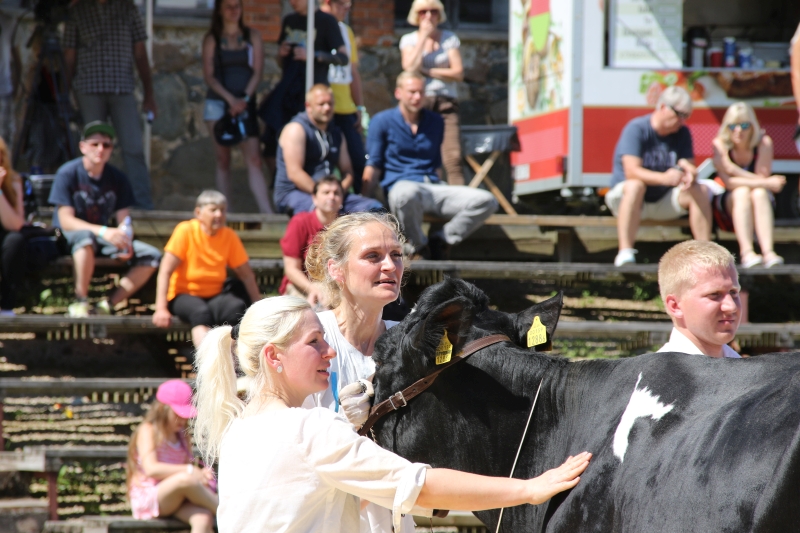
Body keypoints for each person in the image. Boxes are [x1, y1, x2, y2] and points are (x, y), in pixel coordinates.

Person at [192, 295, 592, 533]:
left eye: (325, 339)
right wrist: (529, 489)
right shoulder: (310, 428)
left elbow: (314, 501)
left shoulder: (237, 429)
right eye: (314, 342)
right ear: (273, 356)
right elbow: (420, 486)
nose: (329, 352)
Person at [302, 211, 414, 532]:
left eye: (396, 254)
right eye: (373, 256)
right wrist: (348, 423)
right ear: (335, 269)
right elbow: (298, 453)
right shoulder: (310, 339)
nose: (390, 266)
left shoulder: (409, 344)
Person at [363, 71, 497, 260]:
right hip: (402, 187)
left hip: (432, 187)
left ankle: (441, 240)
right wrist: (363, 201)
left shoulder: (435, 121)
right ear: (398, 93)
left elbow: (436, 165)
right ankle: (417, 247)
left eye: (421, 92)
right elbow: (373, 165)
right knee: (406, 194)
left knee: (487, 200)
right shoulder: (381, 121)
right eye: (412, 92)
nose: (417, 97)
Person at [49, 121, 161, 318]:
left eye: (106, 145)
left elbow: (124, 219)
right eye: (95, 144)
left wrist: (125, 241)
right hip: (69, 240)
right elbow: (66, 221)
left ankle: (107, 305)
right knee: (85, 238)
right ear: (83, 147)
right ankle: (81, 302)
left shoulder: (118, 178)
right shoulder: (67, 173)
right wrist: (103, 231)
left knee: (151, 256)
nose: (101, 149)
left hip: (104, 240)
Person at [604, 86, 712, 267]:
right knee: (635, 185)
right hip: (627, 200)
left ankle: (706, 256)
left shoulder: (682, 133)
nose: (682, 121)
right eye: (679, 114)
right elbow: (631, 172)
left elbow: (688, 165)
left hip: (662, 200)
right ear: (663, 107)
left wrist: (689, 173)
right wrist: (664, 178)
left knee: (699, 189)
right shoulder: (637, 128)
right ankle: (625, 253)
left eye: (686, 116)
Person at [63, 0, 156, 209]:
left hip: (122, 88)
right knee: (92, 148)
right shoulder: (78, 10)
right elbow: (69, 56)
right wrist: (64, 94)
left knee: (133, 147)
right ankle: (88, 202)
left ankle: (142, 205)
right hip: (88, 88)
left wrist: (149, 93)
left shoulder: (128, 8)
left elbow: (140, 52)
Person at [152, 190, 261, 348]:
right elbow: (165, 271)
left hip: (215, 294)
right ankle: (208, 360)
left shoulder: (229, 235)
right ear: (198, 213)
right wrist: (161, 308)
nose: (219, 214)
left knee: (235, 308)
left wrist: (258, 307)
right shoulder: (185, 231)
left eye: (222, 210)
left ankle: (231, 358)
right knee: (200, 312)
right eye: (213, 210)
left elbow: (247, 275)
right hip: (183, 295)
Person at [202, 0, 272, 214]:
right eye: (229, 7)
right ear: (220, 11)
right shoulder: (212, 38)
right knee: (223, 159)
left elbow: (257, 72)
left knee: (254, 158)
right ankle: (226, 213)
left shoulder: (252, 36)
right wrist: (230, 100)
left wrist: (243, 99)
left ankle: (267, 213)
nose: (234, 11)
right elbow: (209, 76)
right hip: (218, 103)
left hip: (245, 104)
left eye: (237, 6)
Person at [260, 0, 348, 168]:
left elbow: (343, 58)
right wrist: (281, 54)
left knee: (310, 146)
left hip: (311, 94)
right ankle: (282, 179)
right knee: (271, 146)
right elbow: (281, 63)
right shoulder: (289, 21)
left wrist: (314, 55)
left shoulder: (326, 21)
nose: (292, 2)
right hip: (287, 93)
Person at [274, 84, 382, 214]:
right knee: (325, 211)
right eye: (321, 104)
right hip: (295, 193)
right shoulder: (296, 129)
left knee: (374, 208)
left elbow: (347, 171)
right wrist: (323, 194)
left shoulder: (336, 133)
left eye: (330, 104)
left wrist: (338, 192)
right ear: (308, 106)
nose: (327, 108)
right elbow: (295, 173)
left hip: (330, 195)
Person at [126, 379, 217, 533]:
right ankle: (226, 511)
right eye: (177, 414)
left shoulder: (181, 435)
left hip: (175, 497)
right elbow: (151, 469)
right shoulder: (148, 430)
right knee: (185, 479)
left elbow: (185, 467)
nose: (182, 419)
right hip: (150, 496)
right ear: (163, 409)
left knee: (203, 519)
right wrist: (189, 471)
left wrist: (201, 475)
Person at [711, 102, 785, 268]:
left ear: (753, 126)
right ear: (726, 127)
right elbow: (729, 183)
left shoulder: (763, 143)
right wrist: (767, 182)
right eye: (733, 126)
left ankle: (768, 252)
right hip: (729, 203)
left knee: (759, 193)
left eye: (744, 125)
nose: (738, 130)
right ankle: (747, 252)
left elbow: (759, 181)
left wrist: (733, 169)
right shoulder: (719, 144)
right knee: (741, 192)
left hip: (758, 199)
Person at [400, 0, 464, 185]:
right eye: (423, 12)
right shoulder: (409, 40)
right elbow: (409, 67)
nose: (428, 16)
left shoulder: (449, 39)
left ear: (440, 14)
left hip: (446, 101)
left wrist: (428, 71)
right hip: (420, 101)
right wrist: (423, 38)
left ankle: (459, 196)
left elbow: (458, 73)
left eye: (433, 11)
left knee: (453, 157)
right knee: (423, 154)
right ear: (416, 15)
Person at [657, 240, 741, 358]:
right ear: (675, 306)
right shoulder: (662, 369)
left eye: (733, 292)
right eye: (714, 294)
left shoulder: (739, 364)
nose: (731, 307)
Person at [319, 0, 367, 193]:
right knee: (325, 164)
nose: (345, 11)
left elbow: (352, 72)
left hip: (346, 108)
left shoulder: (346, 31)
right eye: (341, 5)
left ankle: (360, 205)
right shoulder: (314, 25)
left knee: (358, 162)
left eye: (349, 7)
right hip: (322, 108)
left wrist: (359, 107)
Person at [279, 176, 342, 306]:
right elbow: (291, 269)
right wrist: (313, 289)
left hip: (336, 285)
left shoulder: (345, 226)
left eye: (336, 193)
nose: (332, 197)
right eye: (326, 192)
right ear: (314, 198)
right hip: (302, 286)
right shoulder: (300, 222)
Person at [0, 137, 26, 316]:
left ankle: (6, 307)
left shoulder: (13, 180)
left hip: (5, 234)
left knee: (15, 241)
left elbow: (15, 225)